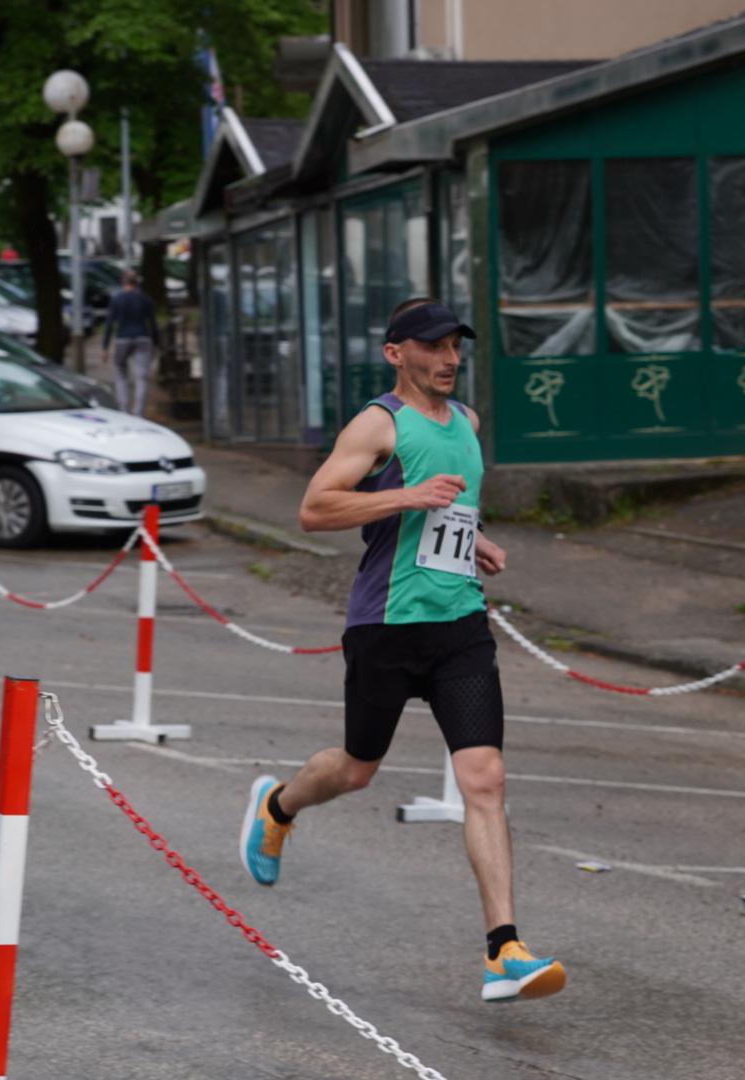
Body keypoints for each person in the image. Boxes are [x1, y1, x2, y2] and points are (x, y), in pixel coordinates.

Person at [239, 297, 566, 1005]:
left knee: (484, 776)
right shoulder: (378, 424)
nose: (449, 359)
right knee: (357, 770)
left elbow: (448, 509)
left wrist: (471, 541)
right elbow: (315, 508)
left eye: (456, 346)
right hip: (385, 625)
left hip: (458, 627)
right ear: (396, 353)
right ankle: (279, 807)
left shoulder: (469, 423)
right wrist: (404, 497)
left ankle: (502, 949)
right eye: (433, 346)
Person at [102, 269, 158, 416]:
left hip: (122, 339)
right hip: (143, 339)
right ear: (137, 282)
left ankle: (124, 410)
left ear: (123, 281)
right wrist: (156, 345)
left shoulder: (117, 299)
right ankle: (138, 412)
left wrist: (105, 347)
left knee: (120, 373)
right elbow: (153, 324)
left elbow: (109, 324)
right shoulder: (145, 299)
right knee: (142, 377)